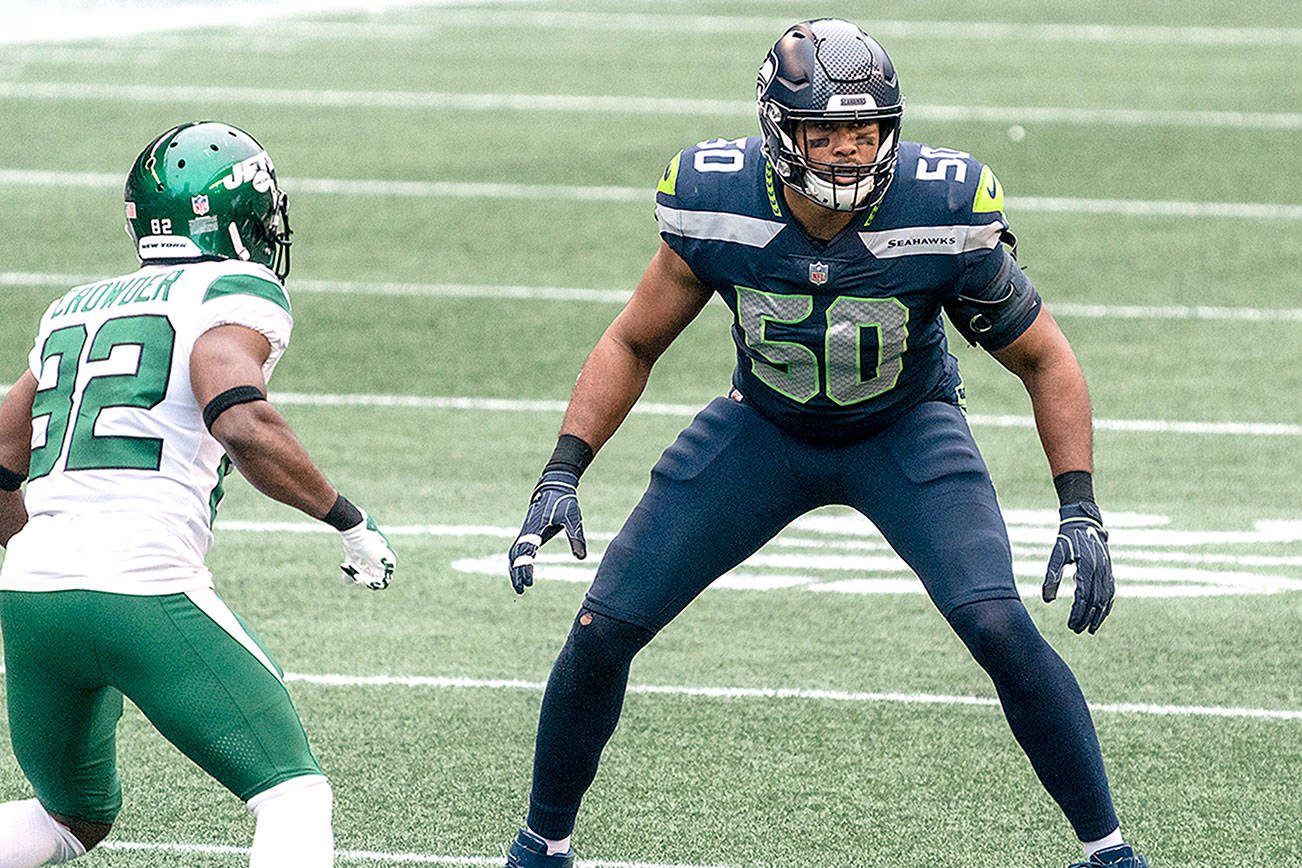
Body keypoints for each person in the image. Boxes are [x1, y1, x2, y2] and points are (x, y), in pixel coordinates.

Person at [503, 19, 1147, 868]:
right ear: (780, 130)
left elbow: (1043, 358)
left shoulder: (940, 207)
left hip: (905, 430)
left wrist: (1080, 507)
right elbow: (632, 341)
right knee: (601, 627)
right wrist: (563, 469)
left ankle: (1109, 850)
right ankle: (542, 844)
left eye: (864, 131)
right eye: (827, 132)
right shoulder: (717, 197)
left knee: (997, 624)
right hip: (761, 428)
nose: (848, 152)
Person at [0, 121, 397, 868]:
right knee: (292, 794)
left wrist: (39, 553)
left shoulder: (73, 306)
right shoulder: (234, 287)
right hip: (144, 585)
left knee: (71, 817)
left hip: (29, 594)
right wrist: (349, 520)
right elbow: (239, 415)